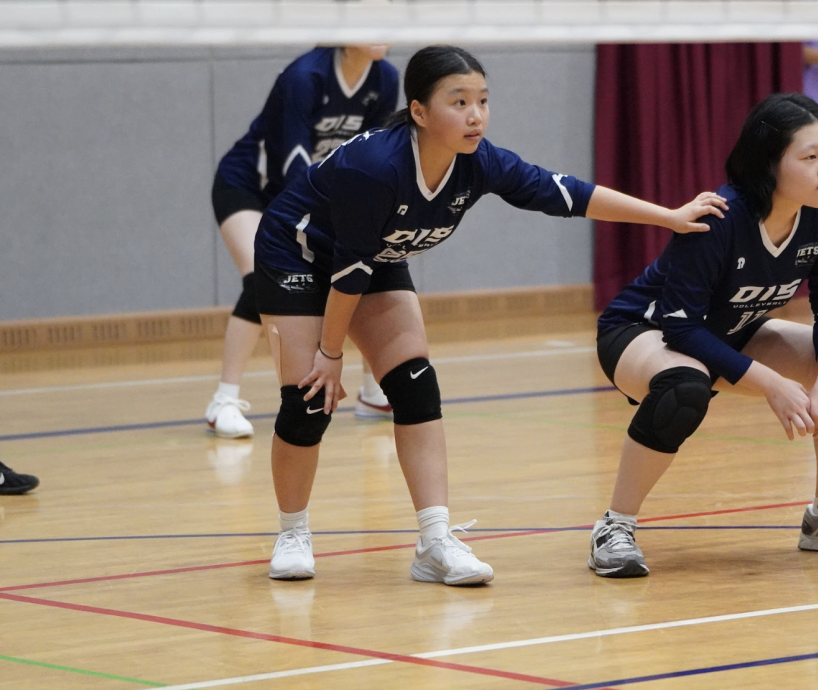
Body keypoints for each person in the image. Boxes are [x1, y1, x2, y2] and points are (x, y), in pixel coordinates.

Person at [255, 45, 729, 584]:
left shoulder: (479, 163)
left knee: (415, 384)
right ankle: (292, 531)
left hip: (370, 256)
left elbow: (566, 194)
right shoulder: (376, 167)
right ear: (418, 112)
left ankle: (434, 541)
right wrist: (330, 354)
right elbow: (348, 271)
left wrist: (667, 217)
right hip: (297, 250)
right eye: (459, 102)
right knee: (309, 400)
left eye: (482, 100)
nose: (475, 114)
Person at [588, 93, 818, 579]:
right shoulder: (720, 217)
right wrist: (771, 384)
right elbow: (679, 325)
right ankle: (614, 526)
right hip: (644, 330)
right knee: (683, 388)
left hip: (732, 329)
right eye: (810, 157)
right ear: (769, 164)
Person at [205, 0, 400, 439]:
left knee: (362, 266)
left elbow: (367, 161)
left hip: (315, 195)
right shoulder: (303, 77)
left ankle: (374, 390)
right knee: (262, 278)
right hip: (251, 186)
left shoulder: (385, 80)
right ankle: (223, 400)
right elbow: (290, 171)